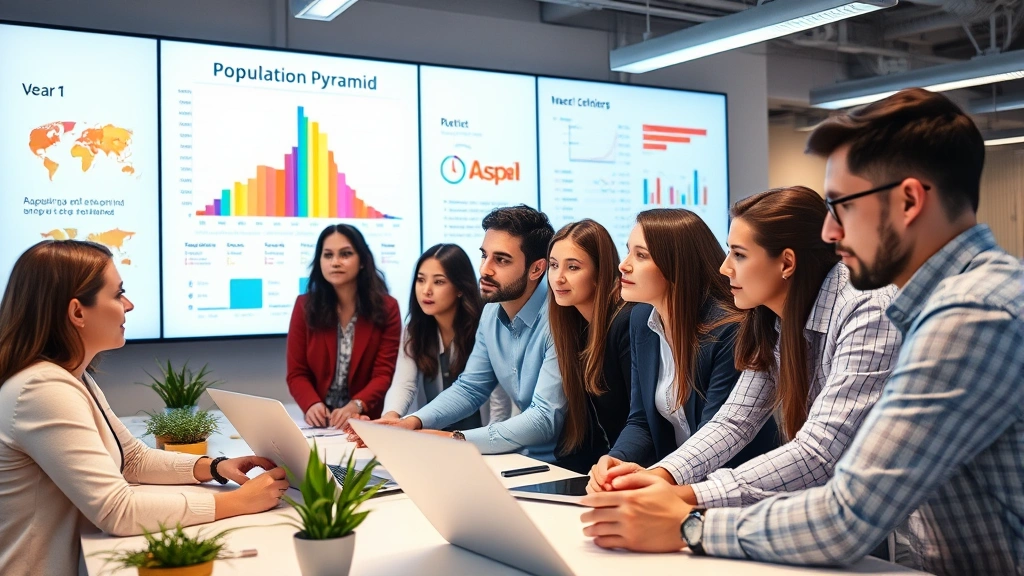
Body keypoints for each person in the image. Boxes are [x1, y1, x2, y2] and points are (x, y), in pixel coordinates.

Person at [579, 88, 1024, 576]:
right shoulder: (938, 303)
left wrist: (689, 520)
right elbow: (734, 423)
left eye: (843, 207)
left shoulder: (965, 313)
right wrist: (663, 479)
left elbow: (844, 507)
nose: (830, 233)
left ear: (909, 201)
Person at [590, 187, 901, 520]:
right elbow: (734, 421)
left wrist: (685, 495)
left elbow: (818, 452)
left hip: (908, 526)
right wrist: (660, 476)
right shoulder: (772, 316)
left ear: (786, 263)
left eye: (739, 254)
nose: (725, 268)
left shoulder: (867, 310)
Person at [0, 241, 288, 576]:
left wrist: (215, 467)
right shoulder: (42, 389)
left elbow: (132, 458)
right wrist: (238, 501)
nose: (129, 305)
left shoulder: (71, 377)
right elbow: (117, 511)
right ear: (78, 312)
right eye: (118, 294)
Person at [350, 205, 567, 462]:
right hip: (521, 459)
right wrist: (413, 423)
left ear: (536, 269)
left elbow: (544, 418)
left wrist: (456, 440)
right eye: (484, 256)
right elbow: (470, 388)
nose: (485, 269)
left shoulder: (559, 317)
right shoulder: (490, 315)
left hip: (567, 464)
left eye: (501, 260)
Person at [592, 209, 779, 480]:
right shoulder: (641, 318)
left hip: (736, 484)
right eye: (628, 251)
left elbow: (717, 437)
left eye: (641, 255)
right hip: (676, 479)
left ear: (676, 265)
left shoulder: (730, 330)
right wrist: (614, 461)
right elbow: (641, 421)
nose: (624, 265)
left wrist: (658, 479)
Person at [378, 243, 512, 428]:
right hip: (433, 439)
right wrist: (390, 418)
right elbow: (404, 383)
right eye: (421, 280)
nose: (426, 290)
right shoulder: (415, 329)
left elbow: (500, 401)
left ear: (460, 288)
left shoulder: (485, 325)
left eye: (439, 281)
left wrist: (494, 443)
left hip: (480, 440)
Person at [287, 224, 401, 429]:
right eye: (328, 255)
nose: (336, 262)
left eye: (345, 254)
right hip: (320, 422)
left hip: (365, 420)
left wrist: (357, 404)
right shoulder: (304, 306)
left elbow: (383, 374)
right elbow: (297, 372)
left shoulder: (387, 308)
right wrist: (311, 404)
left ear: (362, 261)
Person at [546, 219, 634, 473]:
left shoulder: (626, 323)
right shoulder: (573, 327)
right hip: (599, 470)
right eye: (553, 266)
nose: (558, 278)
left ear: (600, 272)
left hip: (632, 470)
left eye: (572, 267)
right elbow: (584, 435)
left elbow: (639, 423)